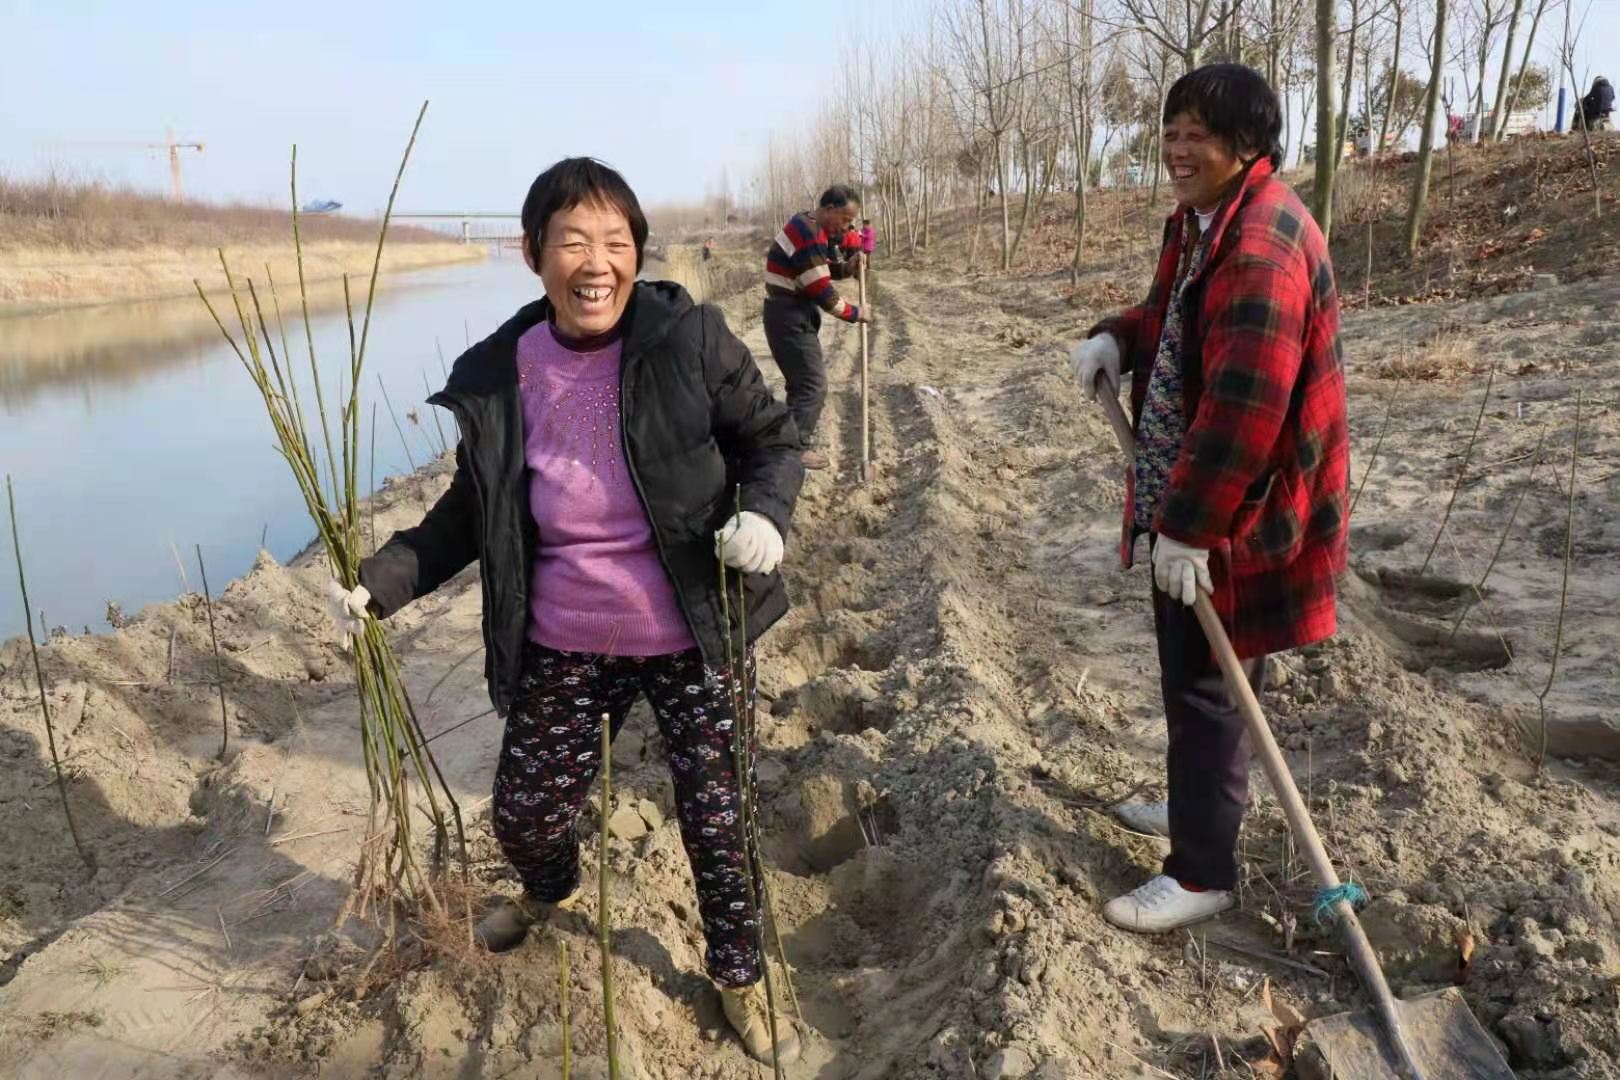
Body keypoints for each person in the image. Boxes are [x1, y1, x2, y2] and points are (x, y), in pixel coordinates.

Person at [325, 158, 804, 1064]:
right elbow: (473, 510)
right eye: (573, 242)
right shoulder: (505, 375)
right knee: (525, 816)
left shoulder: (691, 340)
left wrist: (765, 517)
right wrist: (382, 580)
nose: (597, 263)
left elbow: (771, 439)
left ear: (636, 254)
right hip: (568, 638)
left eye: (616, 243)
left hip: (690, 629)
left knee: (716, 814)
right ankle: (553, 892)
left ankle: (739, 974)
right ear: (532, 254)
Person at [1068, 63, 1348, 934]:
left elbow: (1246, 409)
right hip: (1209, 493)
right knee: (1202, 679)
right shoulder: (1205, 222)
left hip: (1240, 508)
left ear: (1249, 146)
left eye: (1199, 134)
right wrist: (1119, 336)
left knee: (1207, 683)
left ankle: (1201, 871)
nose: (1178, 148)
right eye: (1172, 130)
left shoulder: (1261, 244)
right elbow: (1173, 315)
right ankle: (1199, 807)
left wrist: (1187, 530)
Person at [763, 184, 869, 471]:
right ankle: (793, 449)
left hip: (790, 312)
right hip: (787, 315)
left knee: (801, 385)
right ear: (829, 209)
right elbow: (823, 291)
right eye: (845, 220)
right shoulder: (808, 233)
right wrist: (856, 313)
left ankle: (785, 445)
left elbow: (823, 267)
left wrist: (848, 266)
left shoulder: (811, 228)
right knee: (813, 385)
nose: (846, 228)